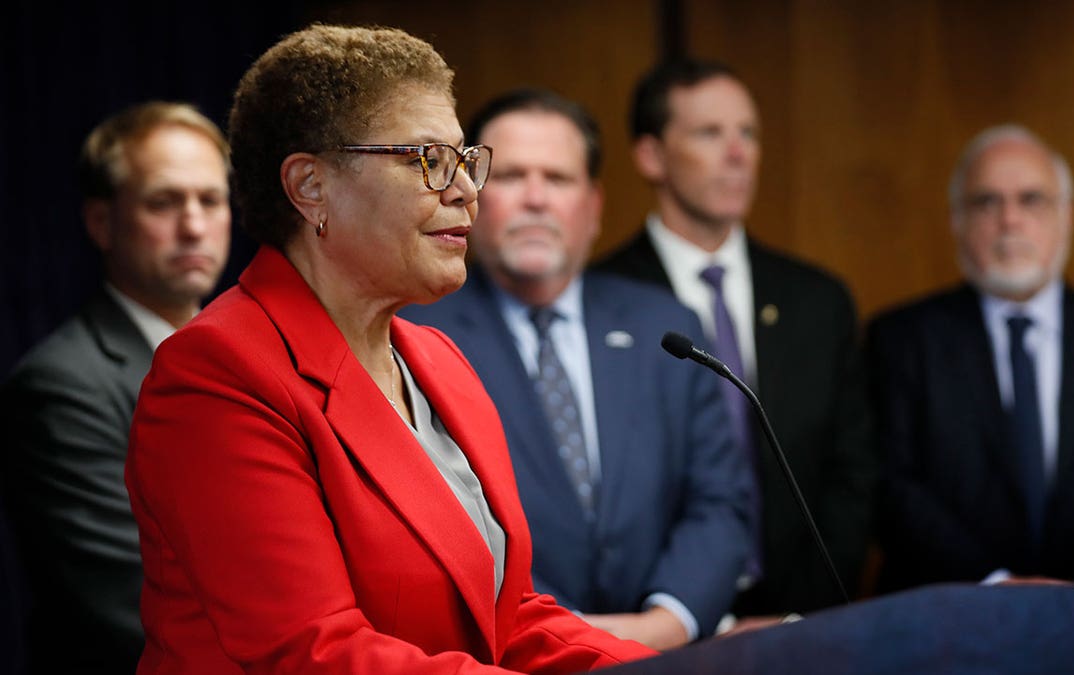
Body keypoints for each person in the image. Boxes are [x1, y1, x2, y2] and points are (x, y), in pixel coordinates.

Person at [122, 25, 655, 673]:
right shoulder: (216, 373)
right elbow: (314, 651)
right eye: (427, 160)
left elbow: (507, 615)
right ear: (311, 186)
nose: (465, 189)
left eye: (465, 159)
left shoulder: (441, 362)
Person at [401, 88, 753, 650]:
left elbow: (720, 501)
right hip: (509, 657)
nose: (535, 199)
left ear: (594, 206)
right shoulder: (415, 334)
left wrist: (666, 622)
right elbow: (434, 528)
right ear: (468, 196)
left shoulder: (665, 326)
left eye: (559, 179)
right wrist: (566, 638)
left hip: (663, 654)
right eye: (512, 176)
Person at [596, 59, 876, 620]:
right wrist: (680, 616)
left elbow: (854, 475)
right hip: (657, 624)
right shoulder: (601, 299)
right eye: (709, 133)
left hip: (802, 620)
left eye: (747, 133)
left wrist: (803, 610)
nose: (738, 153)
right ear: (651, 156)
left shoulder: (817, 299)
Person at [866, 124, 1074, 590]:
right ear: (956, 220)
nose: (1010, 221)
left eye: (1032, 200)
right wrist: (997, 584)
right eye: (986, 202)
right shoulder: (899, 339)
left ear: (1068, 216)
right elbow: (889, 487)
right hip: (949, 622)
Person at [1, 101, 232, 674]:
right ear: (101, 222)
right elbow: (136, 605)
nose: (194, 226)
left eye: (211, 200)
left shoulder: (252, 358)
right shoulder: (60, 387)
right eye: (163, 202)